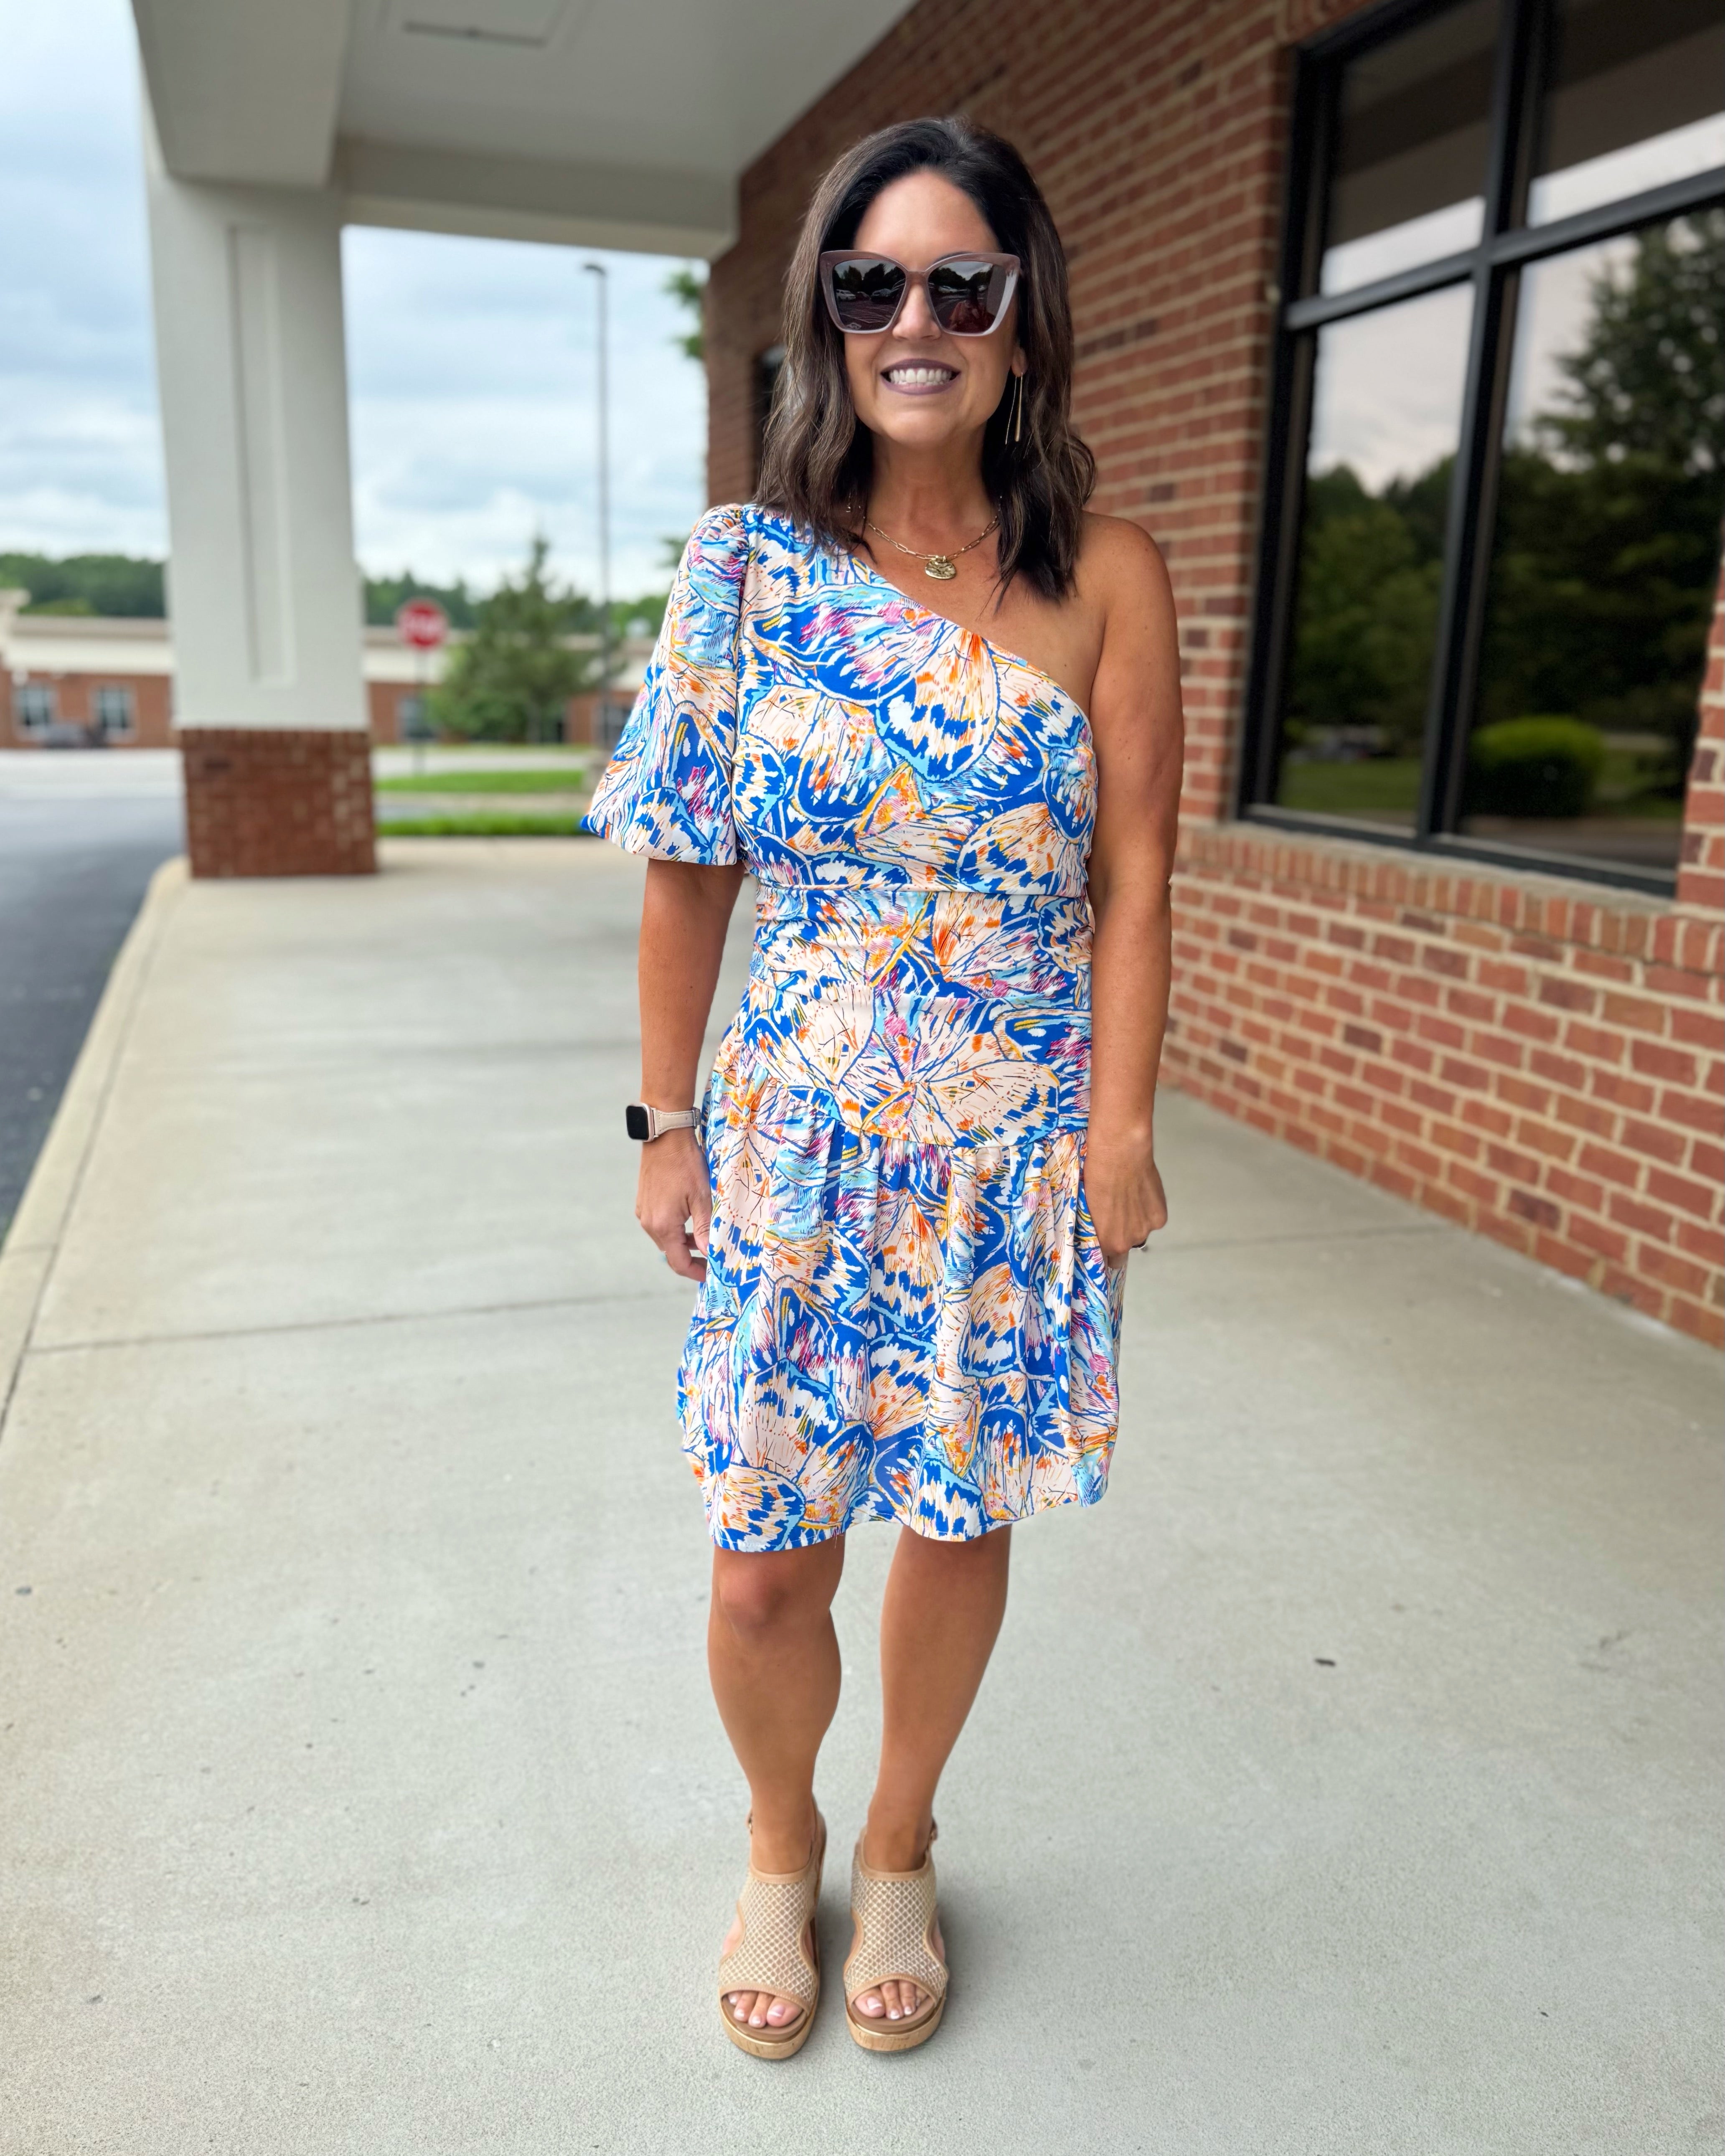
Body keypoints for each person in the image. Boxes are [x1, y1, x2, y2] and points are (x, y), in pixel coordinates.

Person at [584, 114, 1183, 2059]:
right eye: (871, 283)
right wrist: (666, 1124)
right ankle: (782, 1838)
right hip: (798, 1136)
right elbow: (689, 866)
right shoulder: (746, 573)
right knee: (763, 1568)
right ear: (826, 317)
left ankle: (902, 1841)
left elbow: (1139, 877)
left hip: (1009, 1143)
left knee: (953, 1513)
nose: (913, 319)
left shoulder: (1108, 575)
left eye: (957, 282)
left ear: (1022, 314)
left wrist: (1119, 1133)